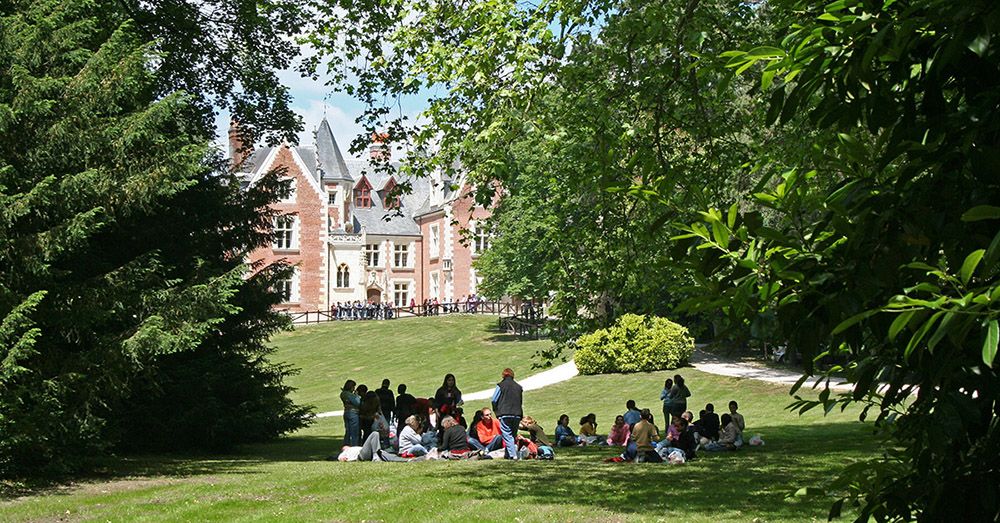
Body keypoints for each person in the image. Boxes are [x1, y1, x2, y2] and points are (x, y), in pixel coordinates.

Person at [492, 368, 523, 459]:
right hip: (517, 414)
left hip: (505, 413)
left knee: (507, 435)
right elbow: (520, 401)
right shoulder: (519, 387)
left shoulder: (500, 386)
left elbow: (494, 399)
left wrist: (496, 410)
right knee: (512, 435)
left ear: (503, 375)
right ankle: (508, 454)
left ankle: (513, 455)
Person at [336, 432, 411, 462]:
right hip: (361, 455)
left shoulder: (353, 448)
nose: (345, 446)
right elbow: (340, 458)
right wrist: (342, 458)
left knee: (387, 456)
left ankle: (407, 460)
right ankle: (376, 456)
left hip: (369, 452)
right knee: (375, 434)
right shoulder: (346, 452)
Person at [340, 380, 361, 446]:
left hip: (346, 412)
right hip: (353, 413)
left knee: (348, 431)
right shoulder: (349, 395)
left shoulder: (343, 394)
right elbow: (357, 403)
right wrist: (356, 395)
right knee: (354, 432)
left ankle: (346, 445)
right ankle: (354, 446)